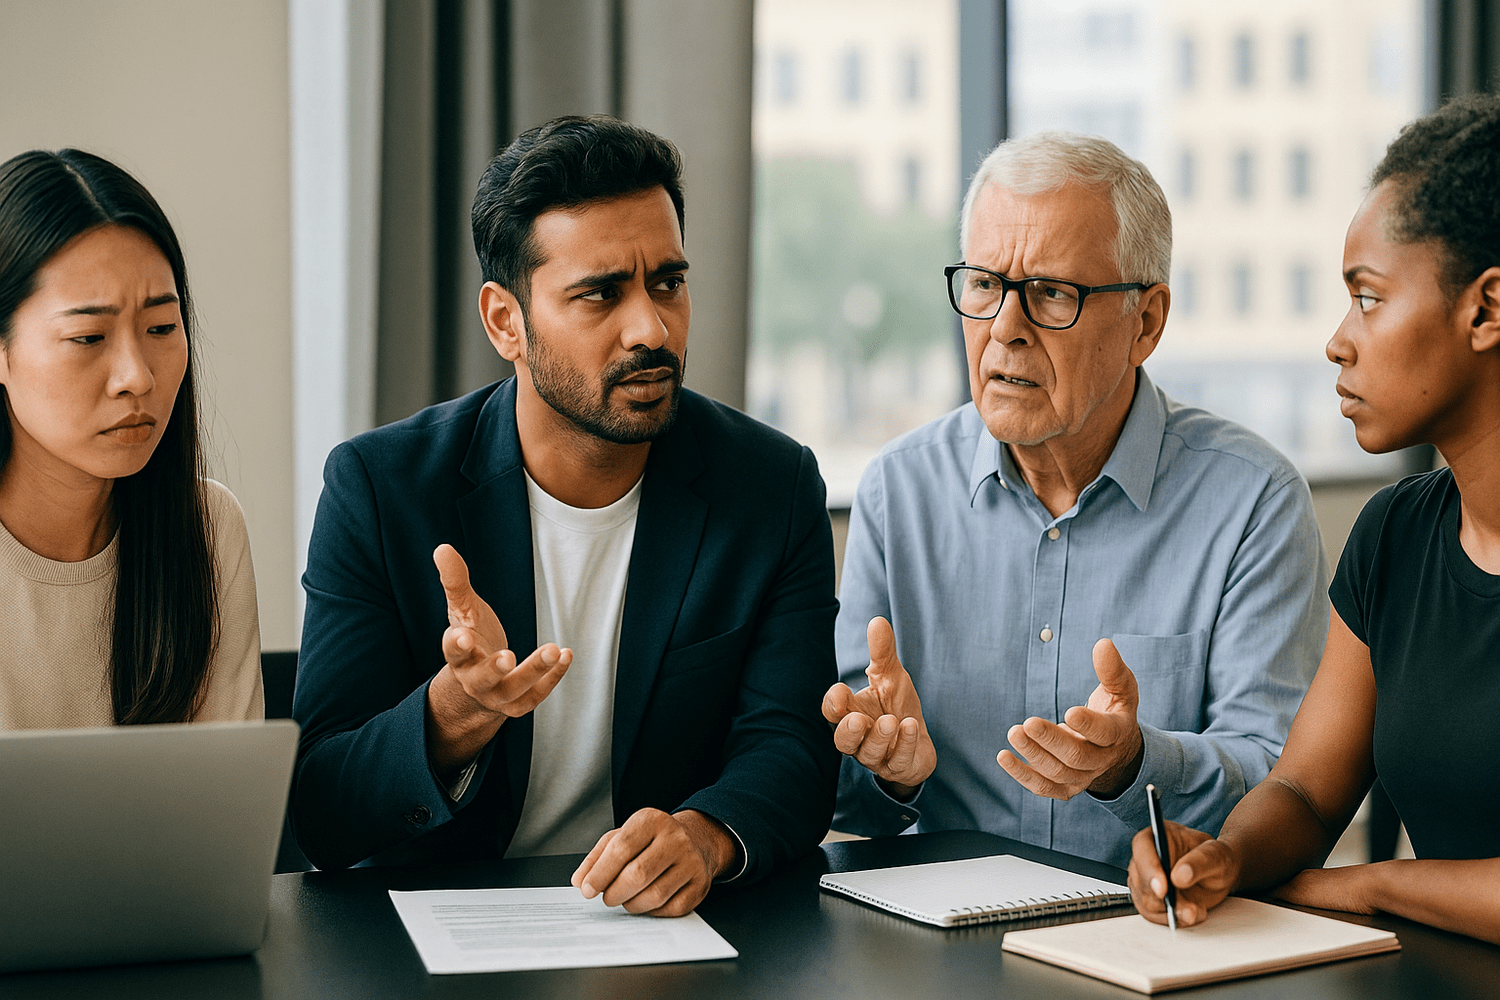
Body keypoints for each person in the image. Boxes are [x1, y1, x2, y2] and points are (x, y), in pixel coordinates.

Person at [291, 115, 840, 915]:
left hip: (668, 933)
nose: (652, 327)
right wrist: (455, 713)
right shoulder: (380, 488)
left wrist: (706, 833)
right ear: (505, 322)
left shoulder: (771, 483)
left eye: (668, 283)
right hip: (441, 929)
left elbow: (790, 746)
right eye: (601, 294)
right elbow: (321, 806)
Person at [823, 132, 1329, 868]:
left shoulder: (1254, 502)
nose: (1004, 330)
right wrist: (887, 770)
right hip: (942, 945)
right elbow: (842, 796)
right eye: (985, 285)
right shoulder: (898, 491)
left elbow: (1283, 783)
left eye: (1052, 294)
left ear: (1146, 323)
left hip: (1150, 935)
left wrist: (1135, 763)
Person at [1127, 95, 1500, 944]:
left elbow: (1357, 883)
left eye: (1367, 299)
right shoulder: (1393, 537)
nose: (1338, 340)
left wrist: (1373, 886)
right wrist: (1222, 856)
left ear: (1485, 310)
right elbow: (1305, 793)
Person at [0, 149, 262, 729]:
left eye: (162, 328)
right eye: (89, 337)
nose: (137, 377)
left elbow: (221, 805)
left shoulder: (207, 528)